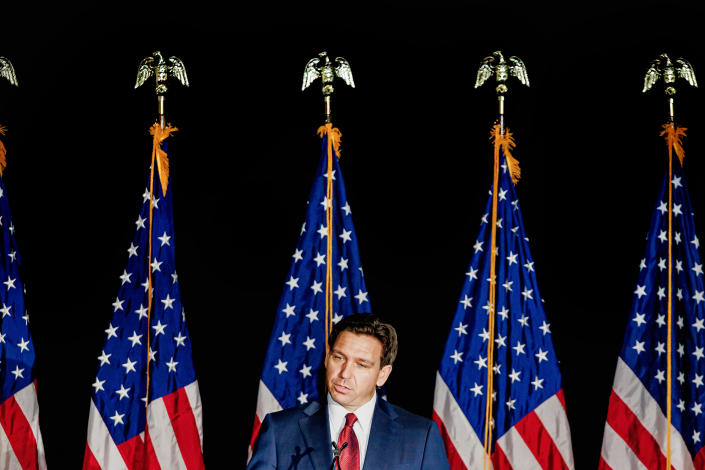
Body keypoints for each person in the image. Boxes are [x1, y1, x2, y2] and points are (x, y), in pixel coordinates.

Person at [247, 313, 450, 470]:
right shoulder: (280, 430)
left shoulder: (420, 436)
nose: (344, 373)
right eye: (339, 358)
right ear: (327, 357)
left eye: (361, 365)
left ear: (382, 374)